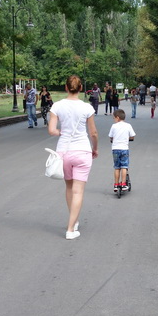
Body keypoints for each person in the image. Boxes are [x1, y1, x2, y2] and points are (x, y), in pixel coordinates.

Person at [48, 75, 99, 240]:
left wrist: (61, 132)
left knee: (69, 188)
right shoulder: (87, 108)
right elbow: (93, 133)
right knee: (79, 191)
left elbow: (52, 130)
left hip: (64, 151)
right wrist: (95, 148)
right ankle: (71, 229)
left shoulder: (57, 106)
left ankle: (73, 220)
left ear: (65, 88)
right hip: (83, 150)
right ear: (81, 88)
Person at [108, 109, 135, 192]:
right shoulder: (128, 126)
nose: (114, 119)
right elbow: (132, 136)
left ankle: (116, 185)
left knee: (116, 167)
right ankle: (123, 184)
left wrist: (113, 139)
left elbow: (111, 137)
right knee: (124, 166)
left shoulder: (113, 126)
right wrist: (128, 138)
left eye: (114, 118)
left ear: (117, 117)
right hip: (124, 149)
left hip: (115, 149)